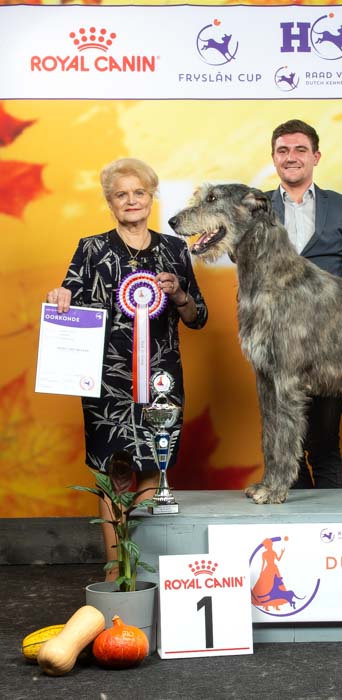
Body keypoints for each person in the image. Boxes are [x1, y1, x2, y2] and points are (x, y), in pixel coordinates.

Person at [46, 157, 208, 578]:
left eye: (139, 192)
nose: (131, 200)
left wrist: (179, 295)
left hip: (161, 378)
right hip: (106, 380)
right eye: (121, 194)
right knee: (114, 473)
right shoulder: (91, 249)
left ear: (151, 197)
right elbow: (67, 300)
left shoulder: (174, 249)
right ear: (110, 202)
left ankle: (141, 568)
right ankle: (116, 568)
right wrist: (60, 297)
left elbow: (198, 317)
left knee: (153, 466)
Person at [267, 119, 342, 489]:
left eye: (300, 149)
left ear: (316, 156)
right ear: (274, 158)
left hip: (329, 344)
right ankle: (290, 518)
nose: (291, 157)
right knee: (283, 444)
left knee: (325, 445)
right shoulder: (255, 207)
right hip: (276, 344)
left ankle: (331, 522)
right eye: (283, 150)